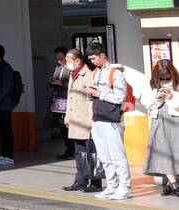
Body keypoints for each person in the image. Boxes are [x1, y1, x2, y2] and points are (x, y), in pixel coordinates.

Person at [86, 42, 131, 200]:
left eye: (93, 58)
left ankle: (125, 187)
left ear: (102, 55)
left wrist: (98, 94)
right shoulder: (95, 73)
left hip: (112, 119)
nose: (92, 61)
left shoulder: (116, 72)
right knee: (104, 156)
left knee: (117, 155)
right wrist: (92, 94)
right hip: (97, 118)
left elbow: (120, 97)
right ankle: (112, 186)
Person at [61, 48, 101, 192]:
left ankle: (95, 182)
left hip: (86, 119)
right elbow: (69, 97)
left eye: (68, 60)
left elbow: (92, 100)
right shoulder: (73, 74)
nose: (66, 63)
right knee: (79, 151)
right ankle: (81, 180)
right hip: (76, 119)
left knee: (91, 151)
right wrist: (67, 116)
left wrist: (92, 120)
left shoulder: (88, 75)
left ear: (77, 61)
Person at [142, 56, 179, 196]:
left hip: (175, 120)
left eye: (167, 76)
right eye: (162, 77)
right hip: (158, 120)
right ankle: (174, 184)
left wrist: (171, 97)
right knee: (163, 152)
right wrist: (157, 98)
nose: (165, 79)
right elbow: (147, 104)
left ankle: (170, 184)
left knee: (176, 152)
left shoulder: (177, 83)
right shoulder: (151, 84)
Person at [48, 46, 73, 158]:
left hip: (67, 100)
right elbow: (54, 81)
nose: (59, 60)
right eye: (57, 58)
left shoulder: (71, 69)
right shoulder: (58, 68)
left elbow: (73, 85)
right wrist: (52, 82)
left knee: (68, 126)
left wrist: (61, 84)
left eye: (61, 58)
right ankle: (69, 149)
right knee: (61, 126)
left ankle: (72, 149)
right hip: (58, 101)